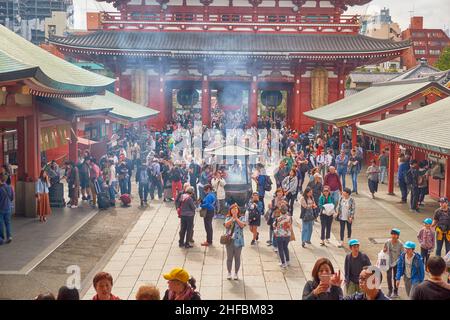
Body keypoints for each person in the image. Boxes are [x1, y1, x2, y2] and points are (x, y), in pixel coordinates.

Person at [224, 204, 247, 280]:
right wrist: (232, 219)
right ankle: (229, 273)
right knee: (229, 258)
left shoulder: (242, 218)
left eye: (236, 209)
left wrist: (236, 218)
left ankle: (236, 273)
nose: (234, 210)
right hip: (229, 241)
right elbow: (226, 225)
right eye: (232, 209)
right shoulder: (228, 218)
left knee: (237, 258)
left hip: (238, 241)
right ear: (230, 210)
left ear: (238, 210)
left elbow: (242, 225)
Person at [383, 228, 404, 298]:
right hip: (389, 262)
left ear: (398, 236)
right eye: (392, 234)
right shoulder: (387, 242)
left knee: (396, 277)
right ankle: (390, 290)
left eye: (395, 234)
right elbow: (384, 250)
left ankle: (395, 291)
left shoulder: (400, 244)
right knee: (389, 277)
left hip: (397, 262)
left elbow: (402, 254)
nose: (393, 236)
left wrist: (401, 264)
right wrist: (384, 250)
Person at [0, 174, 14, 245]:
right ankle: (9, 237)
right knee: (8, 223)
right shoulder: (10, 187)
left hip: (1, 209)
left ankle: (1, 239)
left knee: (1, 224)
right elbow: (12, 198)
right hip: (8, 208)